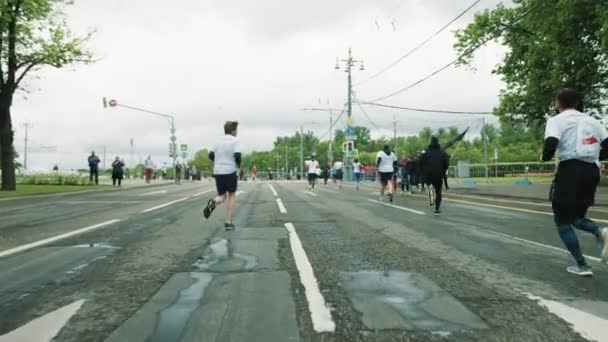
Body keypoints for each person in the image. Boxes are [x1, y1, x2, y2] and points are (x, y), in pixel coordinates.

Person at [542, 88, 608, 276]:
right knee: (576, 217)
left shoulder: (556, 121)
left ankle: (582, 265)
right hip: (591, 171)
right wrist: (597, 154)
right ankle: (600, 232)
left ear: (558, 103)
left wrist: (546, 156)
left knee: (562, 220)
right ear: (578, 103)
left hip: (570, 170)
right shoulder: (593, 121)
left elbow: (551, 143)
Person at [204, 121, 242, 230]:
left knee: (222, 196)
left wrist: (218, 160)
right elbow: (237, 155)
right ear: (233, 131)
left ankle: (213, 202)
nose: (237, 132)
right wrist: (238, 167)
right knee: (231, 195)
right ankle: (228, 222)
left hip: (218, 171)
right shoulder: (235, 141)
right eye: (236, 130)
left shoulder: (217, 141)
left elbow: (211, 155)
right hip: (230, 170)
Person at [420, 137, 449, 215]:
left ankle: (431, 200)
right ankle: (437, 208)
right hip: (438, 174)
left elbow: (420, 162)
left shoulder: (425, 152)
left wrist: (423, 171)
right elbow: (446, 164)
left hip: (428, 174)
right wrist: (443, 171)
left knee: (429, 187)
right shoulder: (442, 152)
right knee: (438, 191)